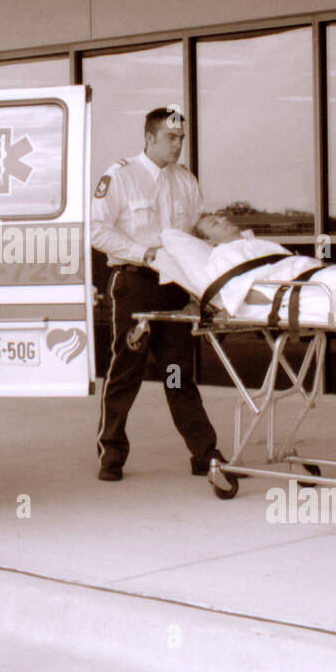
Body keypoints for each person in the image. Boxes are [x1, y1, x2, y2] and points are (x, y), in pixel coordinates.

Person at [91, 108, 224, 481]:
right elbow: (96, 230)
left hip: (174, 286)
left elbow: (198, 234)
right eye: (171, 138)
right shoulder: (121, 176)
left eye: (181, 138)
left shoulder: (185, 181)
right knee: (125, 370)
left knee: (177, 371)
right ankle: (111, 452)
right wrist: (142, 253)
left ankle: (204, 452)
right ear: (149, 137)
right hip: (135, 283)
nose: (178, 144)